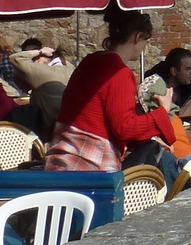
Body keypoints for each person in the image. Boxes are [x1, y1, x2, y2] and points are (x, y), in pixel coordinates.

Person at [45, 11, 180, 172]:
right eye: (146, 40)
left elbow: (110, 124)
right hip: (90, 166)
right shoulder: (119, 73)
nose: (145, 47)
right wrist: (163, 111)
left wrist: (151, 136)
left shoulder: (90, 61)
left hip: (61, 159)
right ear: (137, 37)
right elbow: (125, 129)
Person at [7, 45, 73, 140]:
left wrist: (40, 52)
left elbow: (15, 58)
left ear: (39, 59)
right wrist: (56, 54)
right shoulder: (71, 70)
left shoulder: (43, 72)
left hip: (46, 133)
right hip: (69, 129)